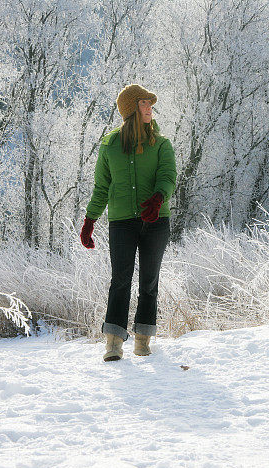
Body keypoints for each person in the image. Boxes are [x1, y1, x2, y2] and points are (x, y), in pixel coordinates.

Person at [79, 84, 177, 362]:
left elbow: (168, 174)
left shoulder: (161, 143)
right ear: (131, 109)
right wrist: (90, 219)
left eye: (150, 104)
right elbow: (102, 186)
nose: (150, 108)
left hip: (155, 221)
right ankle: (113, 343)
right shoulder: (110, 145)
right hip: (121, 222)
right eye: (144, 103)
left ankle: (143, 339)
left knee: (149, 281)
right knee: (120, 281)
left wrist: (159, 197)